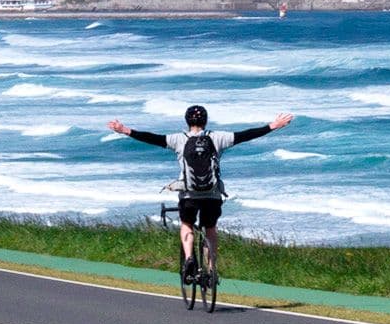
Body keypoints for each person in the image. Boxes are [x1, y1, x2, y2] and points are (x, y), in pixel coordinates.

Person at [106, 105, 295, 281]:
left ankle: (189, 258)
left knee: (187, 224)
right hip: (212, 194)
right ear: (206, 121)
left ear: (187, 122)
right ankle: (211, 269)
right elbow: (246, 135)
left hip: (188, 195)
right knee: (210, 229)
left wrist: (125, 130)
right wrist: (273, 125)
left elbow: (152, 138)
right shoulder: (218, 138)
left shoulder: (177, 139)